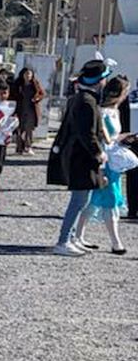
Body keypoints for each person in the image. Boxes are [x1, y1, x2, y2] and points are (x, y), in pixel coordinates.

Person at [48, 58, 109, 258]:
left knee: (82, 200)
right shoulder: (87, 102)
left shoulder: (80, 98)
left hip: (78, 155)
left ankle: (72, 237)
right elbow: (87, 133)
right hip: (81, 157)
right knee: (78, 201)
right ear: (99, 80)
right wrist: (98, 152)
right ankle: (63, 240)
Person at [84, 74, 132, 255]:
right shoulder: (102, 112)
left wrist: (125, 137)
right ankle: (115, 242)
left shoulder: (114, 111)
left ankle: (77, 233)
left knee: (94, 202)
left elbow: (111, 138)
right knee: (109, 200)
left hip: (114, 161)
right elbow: (102, 138)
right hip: (104, 161)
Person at [10, 63, 44, 154]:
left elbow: (42, 94)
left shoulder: (35, 84)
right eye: (26, 74)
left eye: (29, 74)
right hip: (20, 109)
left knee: (29, 129)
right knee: (19, 129)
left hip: (31, 110)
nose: (27, 76)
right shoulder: (18, 84)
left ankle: (28, 146)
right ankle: (19, 148)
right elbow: (12, 95)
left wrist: (37, 98)